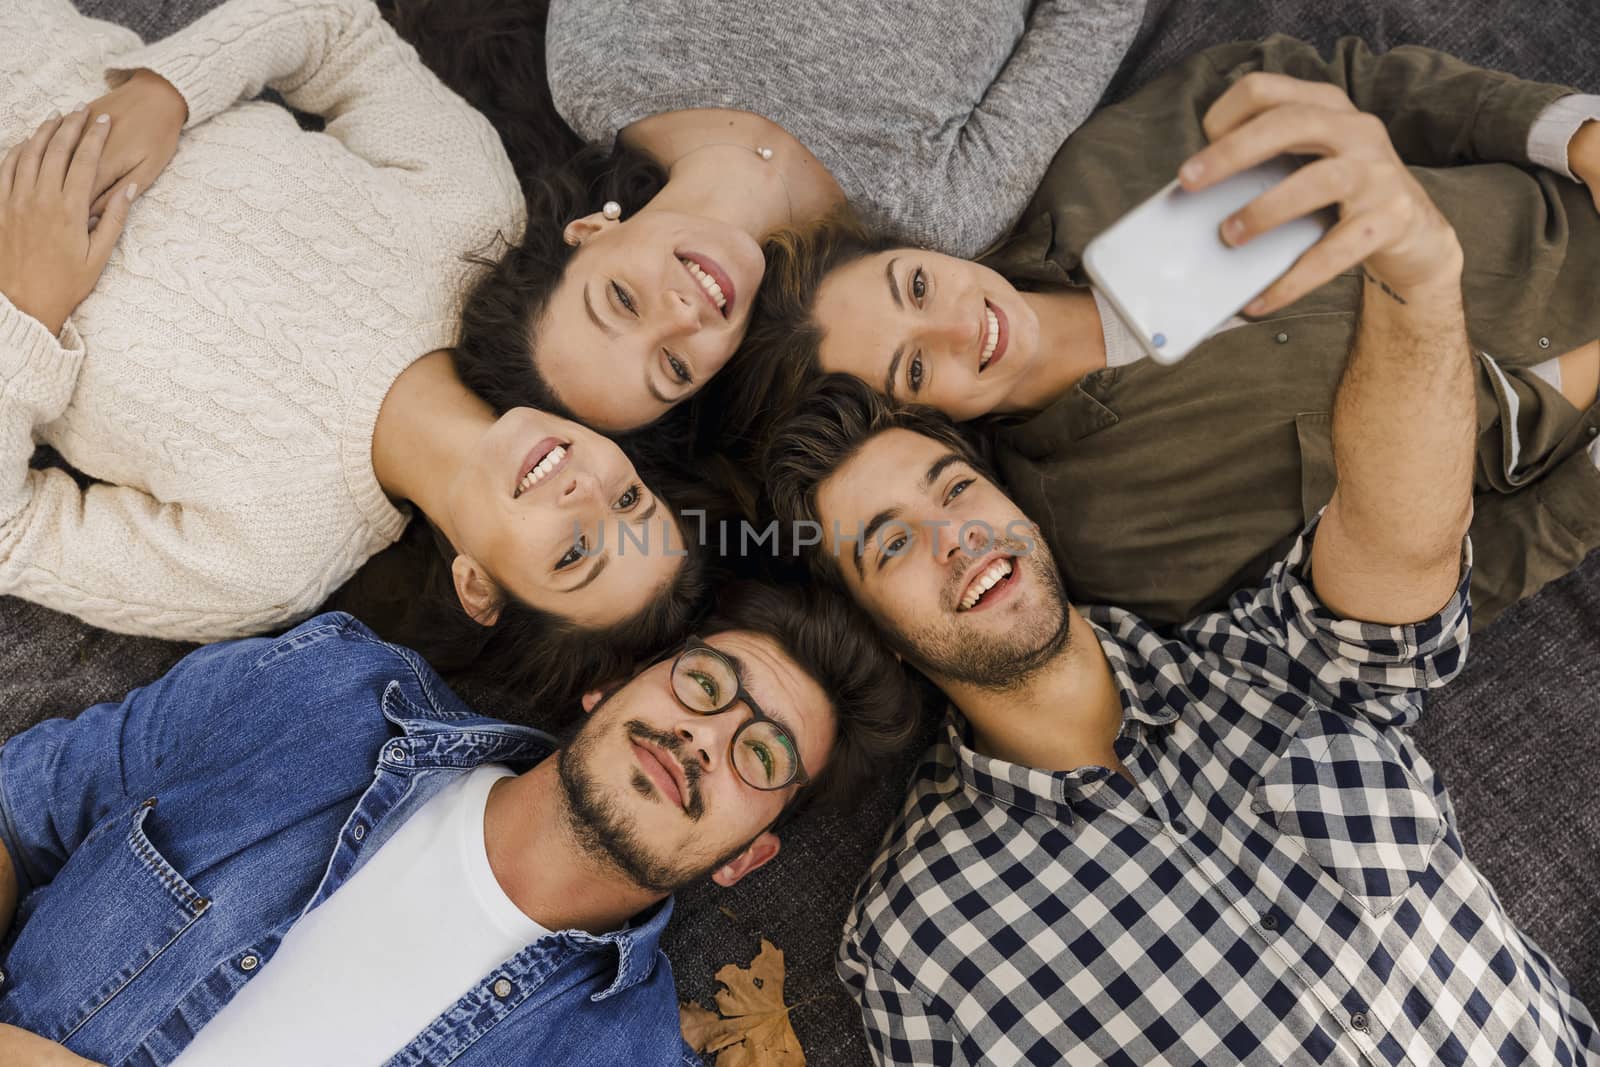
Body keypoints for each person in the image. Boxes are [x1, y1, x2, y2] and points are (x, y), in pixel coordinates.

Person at [761, 87, 1600, 1063]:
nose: (953, 535)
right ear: (880, 629)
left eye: (952, 486)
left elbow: (1395, 535)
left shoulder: (1264, 661)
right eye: (891, 544)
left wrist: (1416, 277)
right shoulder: (913, 940)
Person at [731, 37, 1600, 629]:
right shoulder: (1111, 539)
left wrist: (1582, 139)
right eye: (915, 368)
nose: (962, 322)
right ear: (923, 424)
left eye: (917, 284)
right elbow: (1442, 587)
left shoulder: (1104, 162)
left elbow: (1354, 87)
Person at [0, 0, 705, 696]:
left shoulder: (265, 565)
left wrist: (24, 310)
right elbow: (336, 29)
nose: (589, 495)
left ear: (478, 587)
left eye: (576, 551)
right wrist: (169, 92)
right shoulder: (474, 225)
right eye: (630, 498)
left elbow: (13, 535)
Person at [0, 582, 918, 1065]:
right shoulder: (325, 695)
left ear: (746, 857)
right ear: (606, 685)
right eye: (707, 684)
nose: (704, 737)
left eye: (762, 756)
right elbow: (16, 806)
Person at [390, 0, 1145, 432]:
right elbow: (1094, 16)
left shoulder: (598, 65)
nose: (681, 313)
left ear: (592, 232)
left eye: (621, 299)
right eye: (674, 367)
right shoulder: (929, 222)